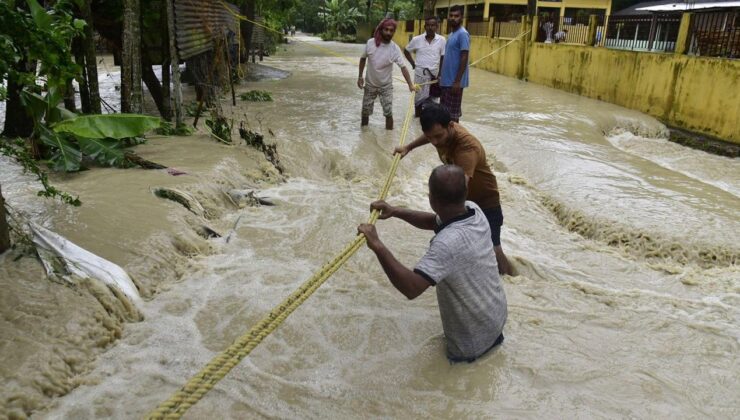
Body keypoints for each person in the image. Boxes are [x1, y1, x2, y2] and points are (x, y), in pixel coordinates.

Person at [358, 164, 507, 362]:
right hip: (496, 321)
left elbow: (411, 288)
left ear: (431, 200)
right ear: (465, 192)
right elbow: (433, 222)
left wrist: (377, 245)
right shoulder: (475, 210)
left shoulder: (446, 244)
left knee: (458, 384)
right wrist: (395, 211)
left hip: (470, 344)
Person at [394, 103, 513, 275]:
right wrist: (408, 148)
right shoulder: (442, 131)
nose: (434, 142)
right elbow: (430, 136)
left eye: (438, 137)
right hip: (465, 199)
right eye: (430, 137)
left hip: (485, 200)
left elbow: (459, 185)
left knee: (493, 248)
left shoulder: (466, 147)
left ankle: (510, 281)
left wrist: (445, 209)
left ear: (450, 126)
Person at [358, 18, 416, 130]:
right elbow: (362, 59)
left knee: (388, 113)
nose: (389, 33)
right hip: (370, 85)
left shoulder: (395, 48)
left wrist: (410, 85)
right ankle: (364, 134)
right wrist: (360, 77)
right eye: (386, 30)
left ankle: (389, 137)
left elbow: (403, 68)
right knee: (365, 112)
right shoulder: (370, 43)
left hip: (386, 87)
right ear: (381, 30)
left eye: (391, 30)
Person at [403, 16, 446, 117]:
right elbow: (406, 51)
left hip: (434, 77)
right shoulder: (416, 39)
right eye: (428, 25)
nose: (430, 27)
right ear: (424, 26)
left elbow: (443, 57)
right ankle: (417, 120)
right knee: (418, 101)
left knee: (433, 103)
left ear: (437, 27)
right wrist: (413, 64)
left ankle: (429, 124)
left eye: (433, 25)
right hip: (419, 75)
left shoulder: (442, 40)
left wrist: (440, 75)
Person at [438, 5, 470, 122]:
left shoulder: (462, 34)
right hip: (446, 82)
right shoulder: (451, 35)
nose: (453, 18)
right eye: (451, 16)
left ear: (461, 17)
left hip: (454, 83)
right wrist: (441, 76)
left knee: (452, 118)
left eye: (456, 16)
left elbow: (464, 56)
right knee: (444, 115)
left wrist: (457, 81)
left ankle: (455, 140)